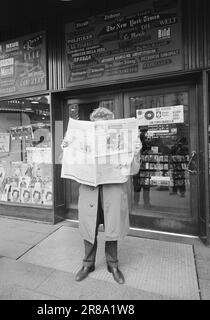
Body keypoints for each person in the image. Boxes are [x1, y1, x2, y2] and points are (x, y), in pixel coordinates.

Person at [61, 107, 141, 285]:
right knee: (89, 230)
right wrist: (67, 149)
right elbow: (70, 165)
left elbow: (134, 170)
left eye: (104, 125)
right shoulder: (84, 141)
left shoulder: (121, 142)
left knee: (112, 230)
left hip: (112, 192)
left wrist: (136, 152)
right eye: (97, 126)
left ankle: (113, 265)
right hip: (90, 192)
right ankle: (87, 264)